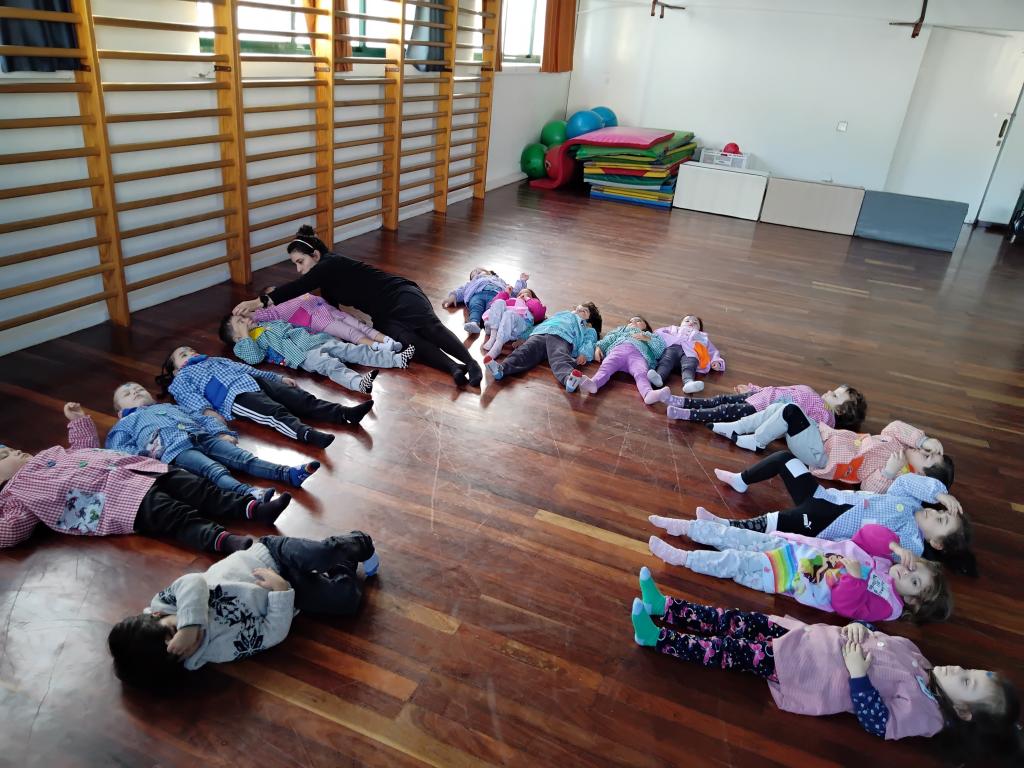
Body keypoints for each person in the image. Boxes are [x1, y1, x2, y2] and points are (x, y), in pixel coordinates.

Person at [629, 570, 1021, 756]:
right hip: (803, 636)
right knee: (735, 619)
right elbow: (881, 639)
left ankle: (657, 637)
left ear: (963, 712)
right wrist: (861, 627)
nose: (958, 670)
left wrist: (858, 674)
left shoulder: (927, 715)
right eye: (968, 671)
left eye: (965, 682)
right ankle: (666, 607)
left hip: (805, 668)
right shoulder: (925, 663)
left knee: (726, 650)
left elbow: (878, 723)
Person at [0, 403, 289, 552]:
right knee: (173, 515)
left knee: (198, 487)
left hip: (138, 469)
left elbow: (83, 448)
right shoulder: (16, 495)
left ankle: (254, 510)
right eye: (4, 456)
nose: (14, 451)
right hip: (115, 502)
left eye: (9, 449)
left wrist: (77, 422)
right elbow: (11, 531)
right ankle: (222, 540)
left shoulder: (50, 453)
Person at [107, 531, 378, 688]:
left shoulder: (167, 603)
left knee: (321, 554)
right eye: (180, 652)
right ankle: (344, 564)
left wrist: (189, 625)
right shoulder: (218, 649)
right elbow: (270, 634)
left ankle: (358, 543)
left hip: (270, 555)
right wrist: (281, 591)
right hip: (286, 590)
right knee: (346, 601)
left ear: (156, 616)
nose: (188, 642)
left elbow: (194, 582)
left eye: (173, 630)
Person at [232, 225, 483, 388]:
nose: (298, 269)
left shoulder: (331, 263)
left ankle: (470, 363)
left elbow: (298, 287)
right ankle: (453, 368)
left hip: (401, 295)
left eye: (300, 262)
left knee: (430, 328)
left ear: (315, 255)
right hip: (382, 314)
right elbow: (331, 313)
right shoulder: (325, 281)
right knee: (410, 342)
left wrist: (258, 301)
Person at [651, 450, 973, 565]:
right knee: (784, 459)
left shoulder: (911, 542)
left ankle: (719, 527)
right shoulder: (911, 498)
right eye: (941, 512)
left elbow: (886, 549)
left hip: (826, 522)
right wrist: (939, 493)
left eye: (941, 522)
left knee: (773, 521)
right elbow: (905, 482)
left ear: (936, 542)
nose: (935, 513)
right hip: (824, 497)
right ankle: (741, 480)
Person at [647, 520, 951, 623]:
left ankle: (683, 558)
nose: (905, 573)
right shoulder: (886, 564)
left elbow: (845, 606)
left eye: (914, 582)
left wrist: (856, 579)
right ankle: (686, 527)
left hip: (786, 576)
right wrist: (895, 547)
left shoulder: (888, 606)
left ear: (913, 602)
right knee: (736, 536)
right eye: (914, 568)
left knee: (733, 562)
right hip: (792, 549)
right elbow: (866, 535)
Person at [108, 382, 319, 502]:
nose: (135, 392)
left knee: (244, 458)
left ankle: (287, 474)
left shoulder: (170, 407)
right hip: (174, 450)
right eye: (127, 394)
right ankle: (248, 492)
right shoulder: (124, 424)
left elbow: (201, 418)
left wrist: (221, 432)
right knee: (214, 470)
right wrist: (150, 458)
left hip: (202, 436)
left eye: (139, 389)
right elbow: (120, 451)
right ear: (119, 411)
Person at [157, 346, 373, 449]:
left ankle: (344, 413)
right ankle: (305, 433)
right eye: (183, 355)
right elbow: (190, 397)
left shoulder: (215, 360)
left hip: (254, 381)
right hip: (234, 397)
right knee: (273, 412)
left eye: (191, 350)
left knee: (298, 398)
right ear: (175, 370)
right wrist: (208, 412)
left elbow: (247, 369)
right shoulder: (181, 378)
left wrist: (276, 378)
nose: (191, 353)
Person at [708, 405, 954, 493]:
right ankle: (737, 427)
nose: (924, 452)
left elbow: (868, 489)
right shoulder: (902, 443)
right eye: (927, 451)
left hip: (820, 455)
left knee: (790, 412)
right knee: (780, 408)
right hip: (823, 436)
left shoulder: (899, 476)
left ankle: (756, 442)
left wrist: (888, 472)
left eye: (927, 458)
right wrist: (922, 440)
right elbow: (894, 427)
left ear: (921, 474)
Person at [219, 314, 415, 394]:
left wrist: (321, 335)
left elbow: (293, 326)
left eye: (243, 317)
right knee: (330, 365)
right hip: (302, 356)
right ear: (236, 337)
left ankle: (397, 359)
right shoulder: (243, 345)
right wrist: (245, 335)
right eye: (240, 322)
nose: (245, 320)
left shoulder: (265, 324)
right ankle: (358, 383)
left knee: (353, 350)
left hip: (315, 340)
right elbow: (255, 358)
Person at [483, 303, 602, 392]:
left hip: (562, 337)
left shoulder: (587, 328)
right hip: (540, 333)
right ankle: (502, 369)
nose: (580, 309)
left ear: (589, 322)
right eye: (580, 307)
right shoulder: (561, 314)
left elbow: (589, 341)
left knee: (559, 357)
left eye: (585, 311)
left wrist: (584, 353)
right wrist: (524, 337)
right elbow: (540, 324)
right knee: (524, 351)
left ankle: (568, 379)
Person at [253, 286, 400, 351]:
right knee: (351, 332)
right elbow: (259, 314)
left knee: (360, 325)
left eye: (277, 291)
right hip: (321, 321)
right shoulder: (277, 311)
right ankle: (378, 346)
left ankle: (388, 340)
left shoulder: (295, 295)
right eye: (272, 295)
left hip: (329, 310)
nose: (278, 294)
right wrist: (249, 310)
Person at [667, 382, 866, 429]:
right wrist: (754, 388)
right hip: (761, 395)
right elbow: (782, 389)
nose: (830, 391)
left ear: (840, 410)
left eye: (835, 395)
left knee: (723, 411)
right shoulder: (815, 397)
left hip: (761, 409)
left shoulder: (825, 416)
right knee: (721, 399)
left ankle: (688, 414)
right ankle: (684, 401)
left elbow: (806, 426)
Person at [579, 315, 671, 405]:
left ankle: (648, 393)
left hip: (639, 355)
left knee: (641, 373)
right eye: (631, 322)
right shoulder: (621, 330)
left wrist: (647, 338)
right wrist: (599, 347)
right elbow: (609, 338)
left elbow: (659, 350)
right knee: (606, 366)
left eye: (638, 321)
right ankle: (594, 383)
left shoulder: (651, 335)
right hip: (618, 351)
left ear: (646, 326)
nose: (633, 322)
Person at [647, 314, 725, 394]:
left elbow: (712, 351)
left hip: (690, 353)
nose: (691, 323)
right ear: (680, 324)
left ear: (700, 329)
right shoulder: (674, 329)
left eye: (695, 322)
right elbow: (658, 333)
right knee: (665, 361)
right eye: (687, 321)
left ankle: (688, 382)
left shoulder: (702, 337)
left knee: (690, 365)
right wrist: (666, 338)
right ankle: (659, 377)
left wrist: (716, 361)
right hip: (673, 348)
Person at [442, 268, 529, 334]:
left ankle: (490, 324)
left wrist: (522, 281)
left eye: (479, 271)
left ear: (489, 273)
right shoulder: (472, 283)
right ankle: (474, 323)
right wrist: (453, 297)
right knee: (475, 306)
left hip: (495, 296)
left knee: (493, 308)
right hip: (477, 295)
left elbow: (515, 292)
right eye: (473, 274)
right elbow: (461, 290)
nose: (476, 273)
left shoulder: (500, 281)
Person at [481, 287, 546, 356]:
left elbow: (539, 312)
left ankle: (497, 346)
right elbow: (494, 304)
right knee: (499, 302)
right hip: (500, 324)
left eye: (527, 294)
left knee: (509, 313)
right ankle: (493, 336)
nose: (522, 295)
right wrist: (506, 293)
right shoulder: (511, 300)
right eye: (520, 294)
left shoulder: (530, 305)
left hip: (518, 326)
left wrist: (528, 299)